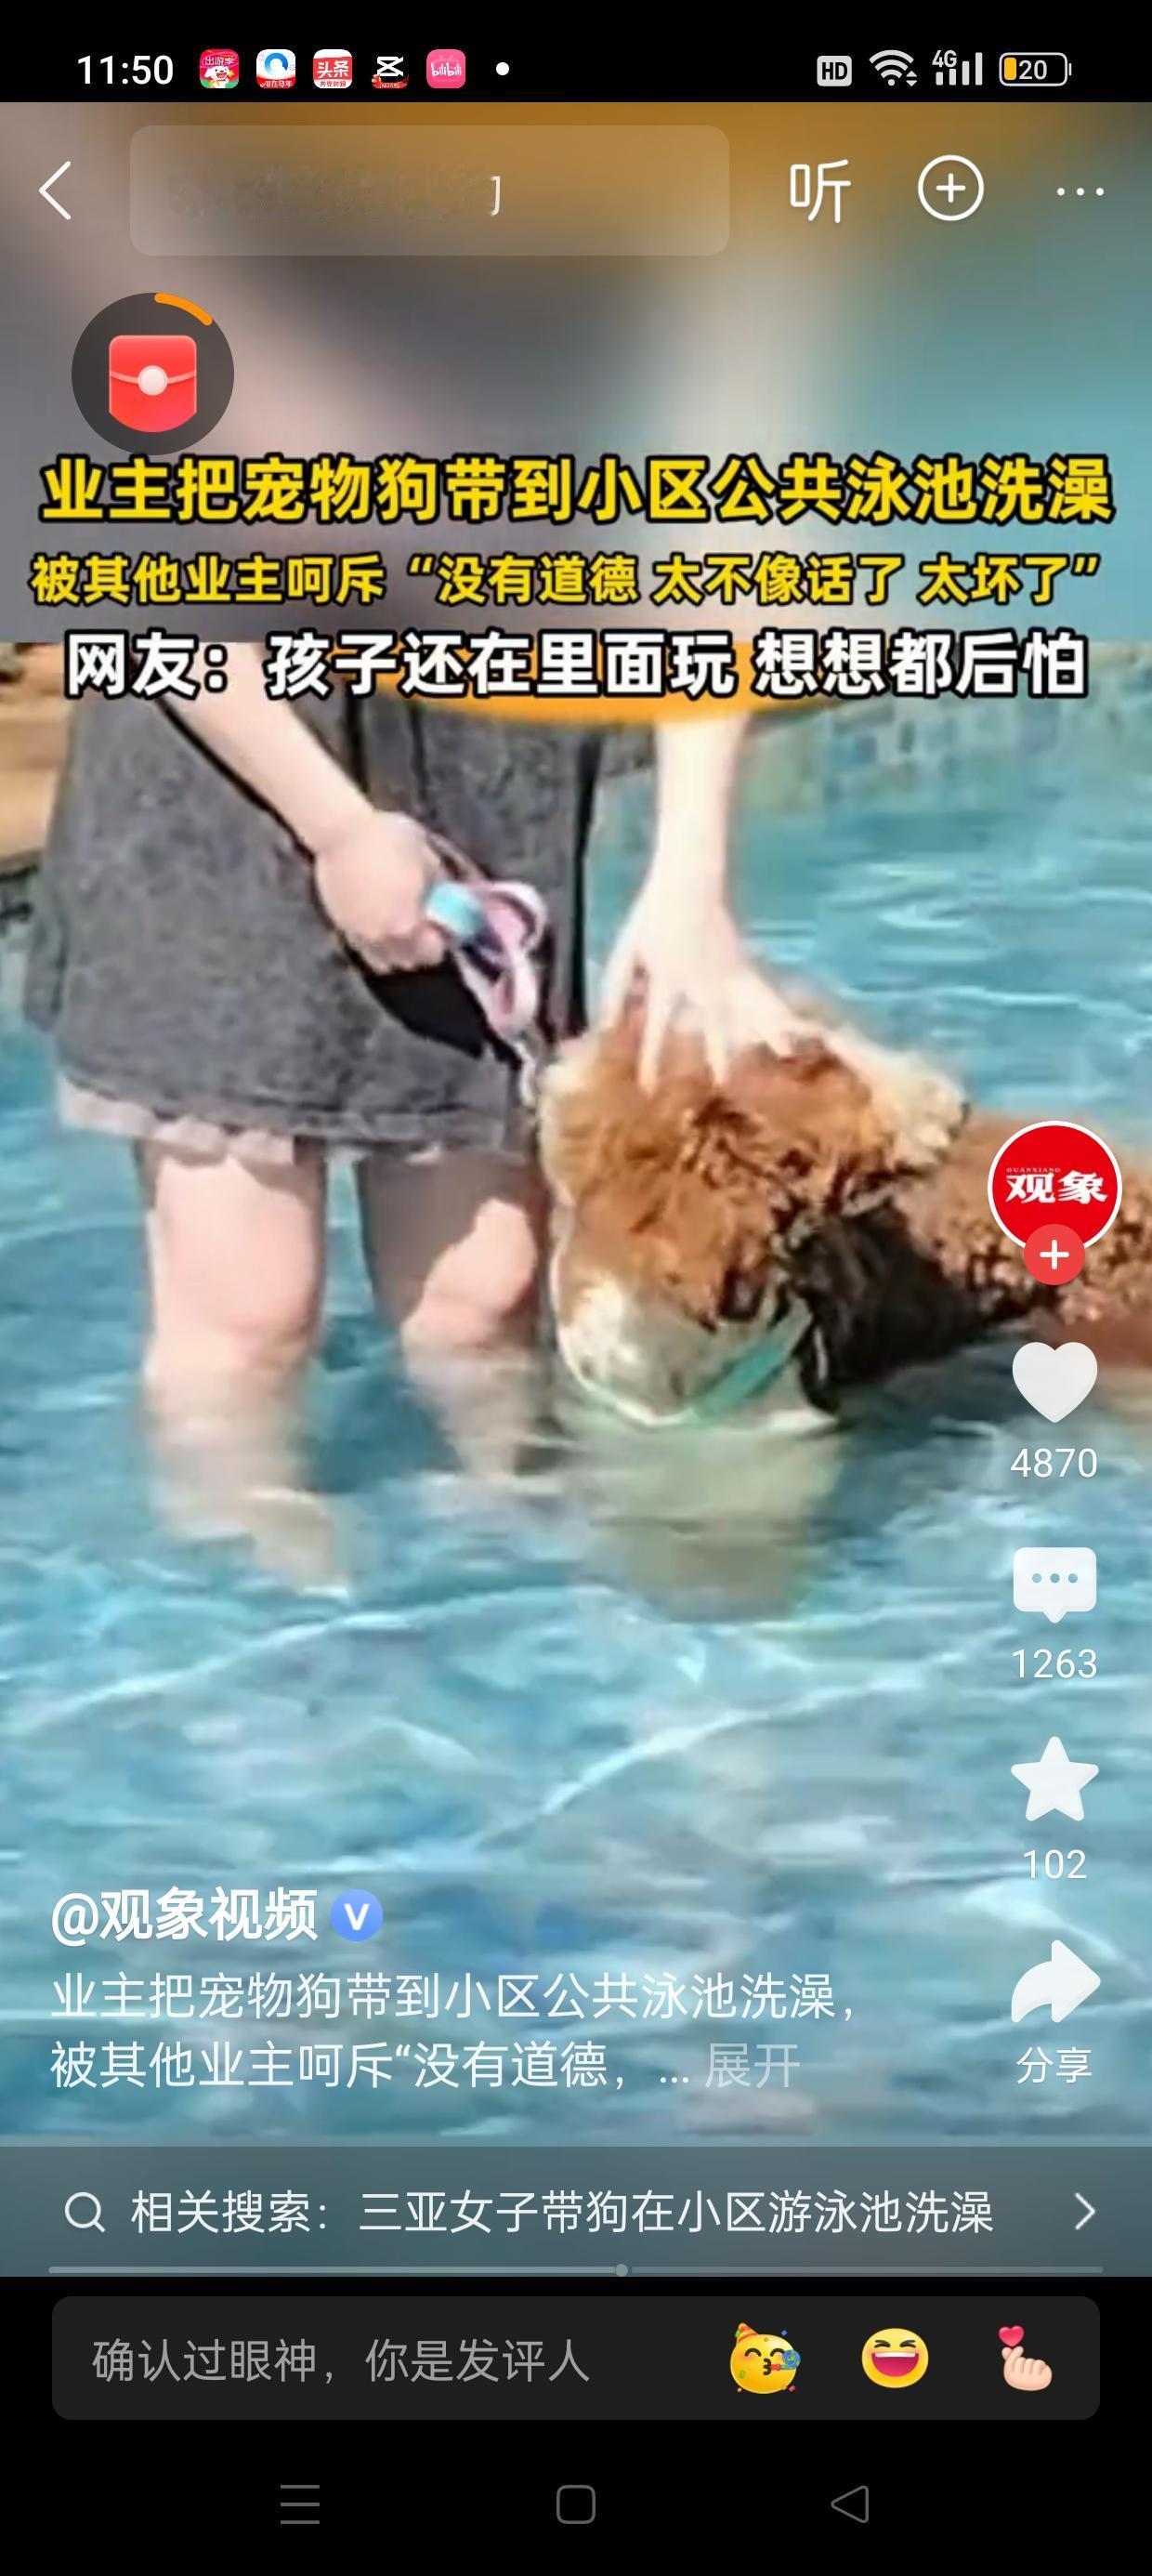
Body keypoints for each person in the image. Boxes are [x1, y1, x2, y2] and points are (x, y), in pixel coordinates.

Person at [24, 654, 852, 1567]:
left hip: (481, 758)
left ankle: (513, 1591)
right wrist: (339, 828)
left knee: (482, 1301)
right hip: (223, 753)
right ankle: (248, 1612)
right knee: (249, 1320)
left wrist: (693, 884)